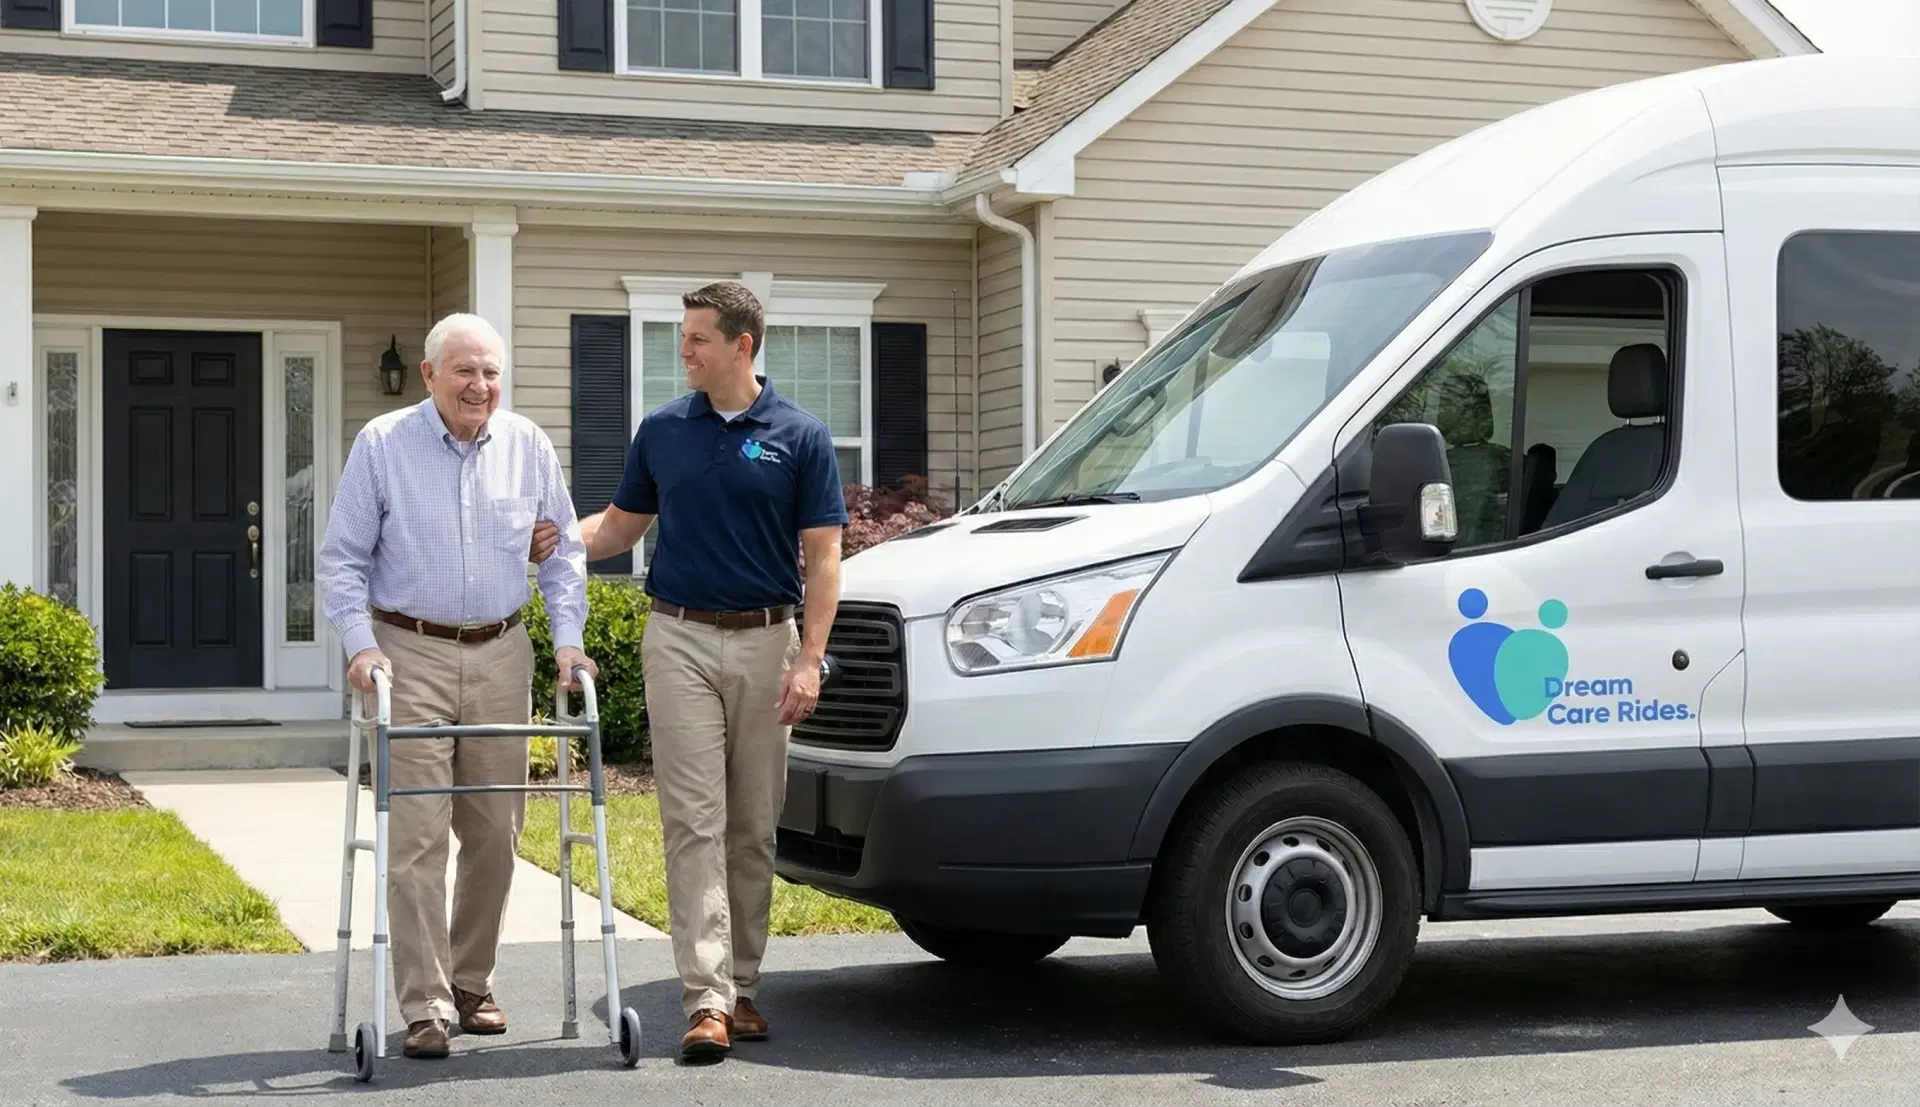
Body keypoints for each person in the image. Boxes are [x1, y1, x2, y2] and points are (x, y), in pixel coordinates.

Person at [563, 279, 847, 1062]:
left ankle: (743, 986)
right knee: (692, 820)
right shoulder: (662, 431)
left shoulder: (801, 435)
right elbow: (618, 528)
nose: (681, 350)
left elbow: (825, 558)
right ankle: (707, 998)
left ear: (740, 345)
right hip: (678, 637)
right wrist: (542, 538)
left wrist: (811, 659)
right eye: (681, 336)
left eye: (696, 338)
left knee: (753, 824)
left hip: (768, 641)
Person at [317, 312, 595, 1061]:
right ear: (430, 374)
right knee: (415, 836)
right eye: (466, 371)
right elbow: (342, 560)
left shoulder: (528, 445)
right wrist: (362, 645)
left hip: (502, 651)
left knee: (497, 831)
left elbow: (564, 555)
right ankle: (426, 1004)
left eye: (491, 372)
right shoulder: (383, 444)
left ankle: (472, 981)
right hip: (409, 652)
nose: (480, 385)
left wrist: (567, 640)